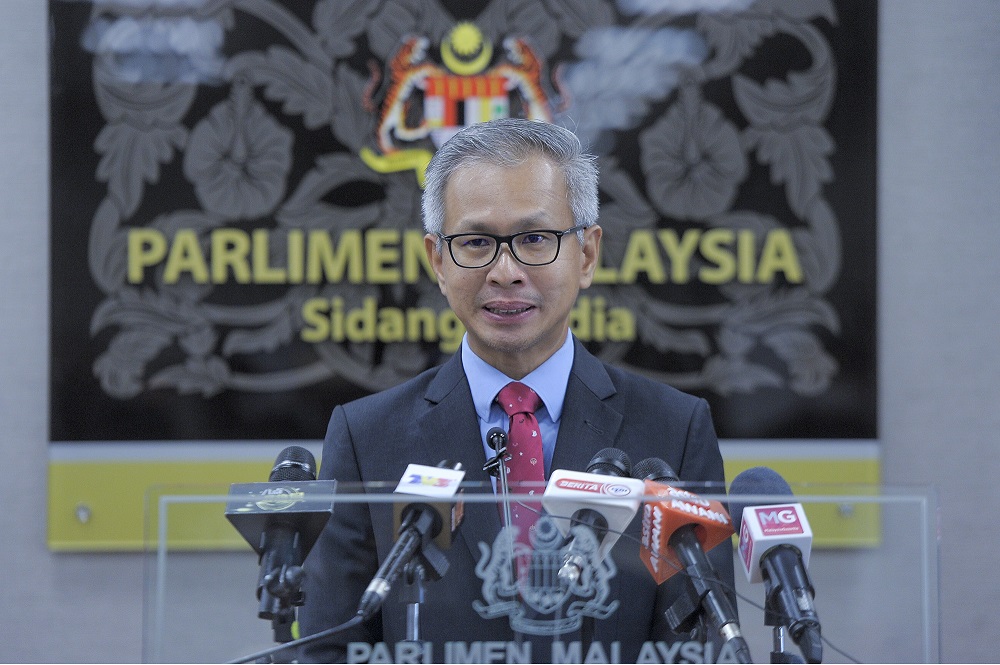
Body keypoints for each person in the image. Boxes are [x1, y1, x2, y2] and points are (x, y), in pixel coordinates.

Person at [297, 118, 734, 663]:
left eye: (534, 239)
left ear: (588, 255)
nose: (505, 272)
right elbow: (327, 648)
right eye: (476, 242)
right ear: (437, 259)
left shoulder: (674, 429)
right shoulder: (367, 437)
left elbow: (700, 644)